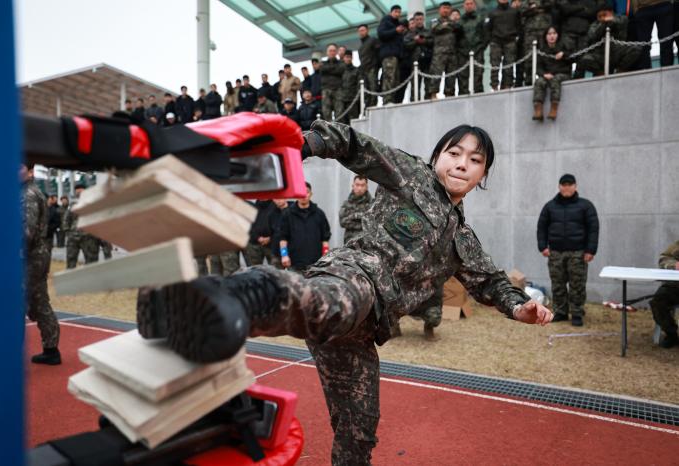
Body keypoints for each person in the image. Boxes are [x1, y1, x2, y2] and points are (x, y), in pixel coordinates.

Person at [136, 121, 554, 465]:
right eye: (454, 153)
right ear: (436, 157)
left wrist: (521, 309)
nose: (463, 164)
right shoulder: (410, 174)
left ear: (483, 175)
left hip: (363, 330)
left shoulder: (464, 238)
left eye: (475, 160)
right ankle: (197, 303)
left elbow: (491, 282)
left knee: (359, 431)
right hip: (352, 279)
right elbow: (354, 144)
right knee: (328, 303)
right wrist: (306, 143)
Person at [537, 174, 599, 326]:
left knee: (577, 284)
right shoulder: (550, 206)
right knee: (558, 284)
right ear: (559, 187)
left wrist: (591, 250)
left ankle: (577, 313)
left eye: (570, 184)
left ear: (575, 186)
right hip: (555, 253)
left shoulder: (586, 206)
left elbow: (593, 229)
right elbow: (541, 227)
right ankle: (561, 312)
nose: (567, 187)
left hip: (578, 253)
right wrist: (543, 246)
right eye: (564, 184)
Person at [21, 164, 61, 365]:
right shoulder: (30, 192)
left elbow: (26, 232)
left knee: (17, 301)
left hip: (29, 256)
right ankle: (51, 349)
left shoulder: (28, 194)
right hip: (37, 255)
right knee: (39, 301)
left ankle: (9, 351)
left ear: (30, 172)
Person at [278, 182, 331, 272]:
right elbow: (283, 238)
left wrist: (325, 257)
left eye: (306, 192)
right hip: (295, 263)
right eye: (301, 192)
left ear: (311, 194)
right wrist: (284, 255)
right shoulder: (287, 214)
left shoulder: (319, 214)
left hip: (316, 263)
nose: (303, 195)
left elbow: (325, 239)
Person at [575, 5, 640, 76]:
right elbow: (592, 35)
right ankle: (601, 74)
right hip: (600, 54)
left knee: (636, 49)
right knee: (584, 59)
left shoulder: (621, 18)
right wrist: (603, 24)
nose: (602, 18)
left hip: (617, 51)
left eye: (604, 14)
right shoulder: (595, 24)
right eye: (599, 16)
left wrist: (611, 20)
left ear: (611, 12)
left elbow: (622, 22)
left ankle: (619, 72)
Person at [532, 26, 571, 121]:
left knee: (556, 79)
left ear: (558, 35)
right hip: (547, 75)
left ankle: (554, 108)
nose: (552, 36)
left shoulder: (563, 46)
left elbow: (572, 57)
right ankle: (538, 110)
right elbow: (538, 67)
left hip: (562, 74)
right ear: (545, 36)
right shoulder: (542, 50)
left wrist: (564, 54)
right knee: (539, 81)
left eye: (554, 33)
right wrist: (544, 74)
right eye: (549, 34)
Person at [63, 184, 101, 268]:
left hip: (88, 237)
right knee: (71, 260)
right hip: (73, 237)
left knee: (91, 261)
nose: (79, 192)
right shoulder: (72, 205)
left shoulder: (93, 202)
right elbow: (66, 219)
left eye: (81, 190)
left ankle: (90, 279)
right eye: (77, 190)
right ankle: (70, 278)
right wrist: (68, 232)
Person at [487, 0, 522, 90]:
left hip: (510, 41)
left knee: (509, 66)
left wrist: (515, 37)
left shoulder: (514, 12)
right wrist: (491, 39)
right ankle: (494, 88)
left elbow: (519, 26)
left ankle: (507, 87)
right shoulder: (492, 13)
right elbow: (488, 28)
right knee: (495, 66)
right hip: (496, 42)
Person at [650, 241, 679, 348]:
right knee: (658, 303)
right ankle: (671, 334)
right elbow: (664, 258)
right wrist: (674, 265)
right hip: (675, 286)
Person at [558, 0, 597, 78]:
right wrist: (582, 7)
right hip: (568, 33)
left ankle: (579, 80)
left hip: (584, 34)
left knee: (582, 61)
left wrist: (573, 10)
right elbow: (565, 9)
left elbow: (592, 12)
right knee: (565, 60)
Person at [521, 0, 555, 86]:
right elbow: (523, 11)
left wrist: (535, 7)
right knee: (529, 59)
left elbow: (551, 5)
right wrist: (537, 9)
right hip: (530, 34)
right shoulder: (526, 2)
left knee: (546, 57)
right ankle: (528, 81)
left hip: (545, 32)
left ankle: (547, 79)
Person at [378, 5, 407, 104]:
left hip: (397, 56)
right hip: (389, 55)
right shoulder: (386, 21)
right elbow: (381, 34)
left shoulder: (397, 24)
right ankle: (387, 100)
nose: (397, 14)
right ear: (391, 12)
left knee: (395, 79)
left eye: (399, 12)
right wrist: (395, 31)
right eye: (395, 11)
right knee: (389, 77)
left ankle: (392, 99)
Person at [457, 0, 487, 94]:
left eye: (471, 4)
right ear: (464, 6)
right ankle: (463, 95)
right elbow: (456, 36)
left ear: (474, 5)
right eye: (467, 4)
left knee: (478, 75)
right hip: (463, 52)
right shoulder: (460, 21)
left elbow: (486, 34)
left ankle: (478, 94)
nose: (469, 6)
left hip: (477, 50)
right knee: (463, 77)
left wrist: (482, 46)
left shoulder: (480, 18)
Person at [403, 12, 433, 101]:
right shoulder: (409, 34)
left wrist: (424, 41)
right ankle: (415, 101)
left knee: (429, 83)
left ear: (423, 20)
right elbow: (406, 45)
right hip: (415, 62)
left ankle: (428, 100)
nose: (419, 21)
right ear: (414, 21)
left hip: (428, 60)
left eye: (421, 19)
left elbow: (433, 42)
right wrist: (415, 41)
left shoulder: (428, 32)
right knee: (415, 85)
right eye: (417, 20)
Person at [338, 175, 372, 244]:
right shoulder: (346, 204)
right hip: (350, 243)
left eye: (362, 185)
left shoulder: (372, 205)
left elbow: (372, 224)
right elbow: (343, 222)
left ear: (366, 187)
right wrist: (361, 218)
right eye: (357, 185)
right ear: (353, 186)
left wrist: (352, 217)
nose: (359, 188)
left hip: (367, 243)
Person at [243, 200, 277, 267]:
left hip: (272, 244)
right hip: (254, 243)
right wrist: (257, 238)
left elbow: (281, 226)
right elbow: (247, 225)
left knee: (276, 271)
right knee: (254, 271)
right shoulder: (252, 206)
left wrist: (271, 238)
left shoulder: (276, 206)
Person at [357, 24, 381, 107]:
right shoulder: (360, 47)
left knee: (373, 88)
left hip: (372, 68)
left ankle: (373, 106)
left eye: (363, 30)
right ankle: (367, 108)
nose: (361, 32)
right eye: (360, 31)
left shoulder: (373, 40)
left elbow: (379, 52)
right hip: (364, 71)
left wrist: (376, 65)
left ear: (367, 31)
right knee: (366, 91)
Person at [320, 44, 345, 120]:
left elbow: (340, 70)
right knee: (326, 113)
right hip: (326, 90)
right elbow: (322, 69)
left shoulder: (341, 63)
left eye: (334, 51)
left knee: (339, 112)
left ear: (336, 52)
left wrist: (328, 70)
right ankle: (328, 130)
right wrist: (334, 69)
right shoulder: (323, 64)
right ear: (327, 52)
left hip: (338, 90)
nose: (332, 52)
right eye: (330, 51)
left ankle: (338, 130)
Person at [267, 198, 290, 268]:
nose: (278, 200)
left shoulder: (293, 212)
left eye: (280, 197)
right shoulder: (271, 214)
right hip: (276, 252)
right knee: (276, 276)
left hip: (293, 252)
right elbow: (271, 232)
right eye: (276, 198)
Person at [340, 51, 360, 122]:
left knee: (354, 121)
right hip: (342, 101)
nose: (348, 59)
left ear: (352, 58)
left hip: (353, 101)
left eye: (349, 57)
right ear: (343, 58)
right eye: (346, 57)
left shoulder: (357, 70)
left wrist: (357, 99)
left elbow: (359, 85)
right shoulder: (341, 71)